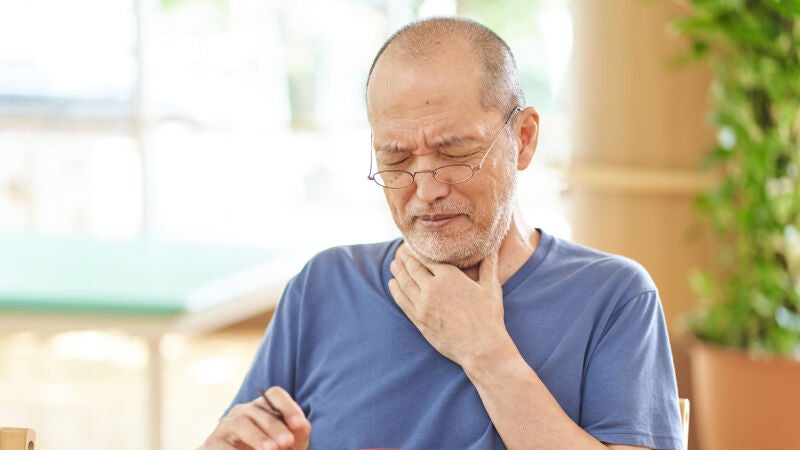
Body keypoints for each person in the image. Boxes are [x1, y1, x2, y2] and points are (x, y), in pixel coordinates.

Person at [201, 16, 683, 450]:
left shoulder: (612, 296)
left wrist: (487, 353)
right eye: (396, 158)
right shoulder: (324, 286)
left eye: (455, 153)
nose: (427, 189)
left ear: (524, 139)